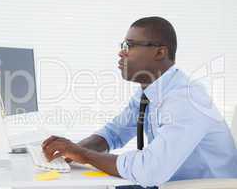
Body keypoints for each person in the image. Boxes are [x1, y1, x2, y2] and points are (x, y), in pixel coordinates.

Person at [41, 16, 237, 189]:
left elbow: (150, 170)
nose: (121, 53)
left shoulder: (187, 99)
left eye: (130, 45)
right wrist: (69, 152)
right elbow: (114, 133)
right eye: (122, 46)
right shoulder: (149, 92)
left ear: (160, 53)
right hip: (168, 182)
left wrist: (82, 154)